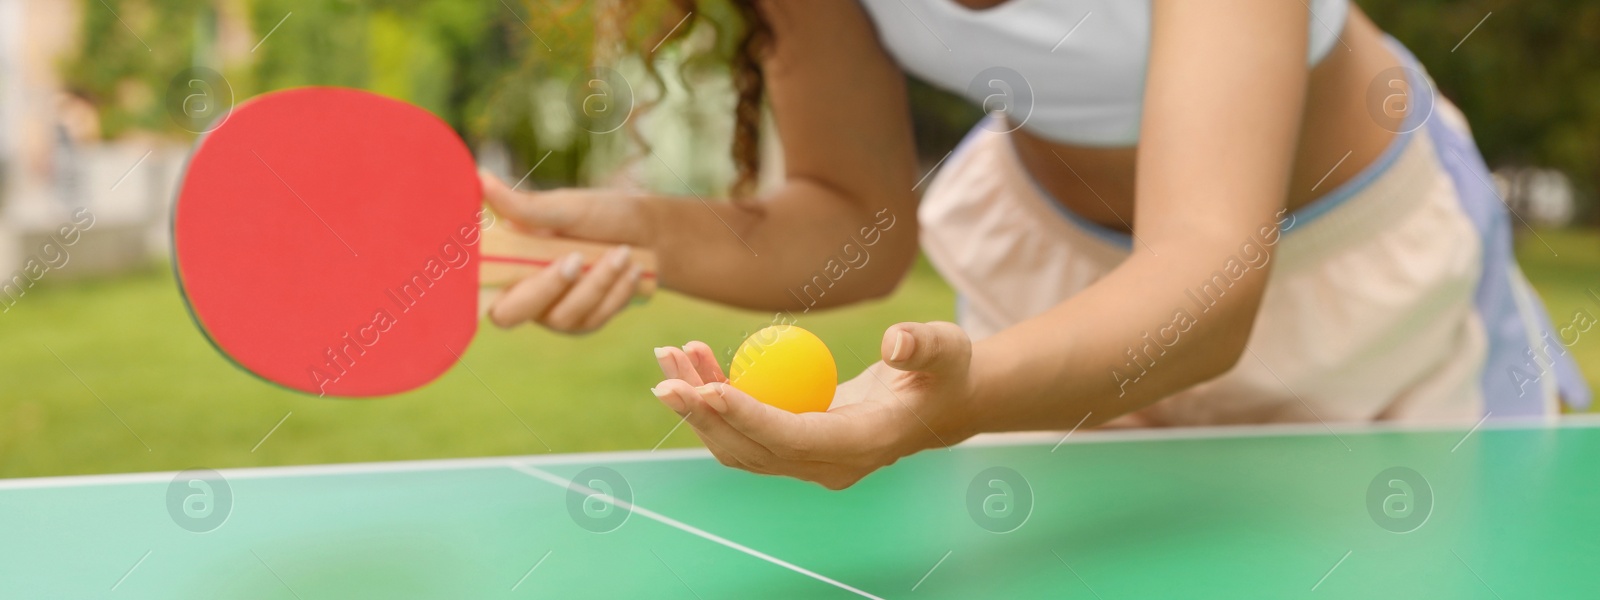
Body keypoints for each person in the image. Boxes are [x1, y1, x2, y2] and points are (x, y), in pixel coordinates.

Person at [480, 0, 1589, 490]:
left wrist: (962, 402)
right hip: (1055, 270)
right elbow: (850, 223)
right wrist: (642, 231)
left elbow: (1206, 268)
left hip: (1355, 279)